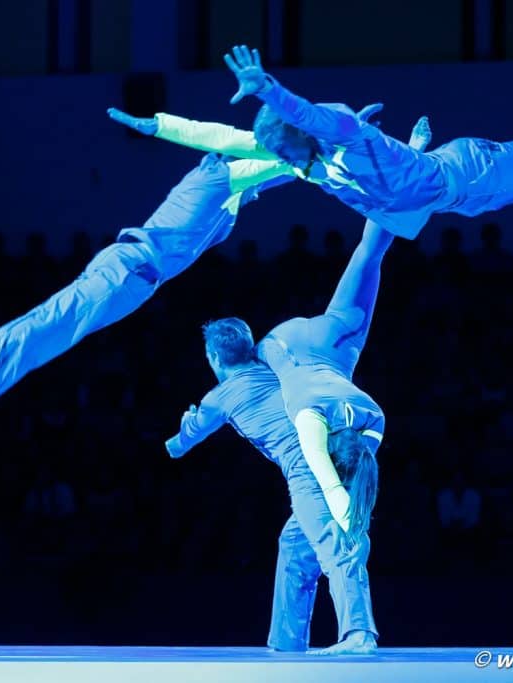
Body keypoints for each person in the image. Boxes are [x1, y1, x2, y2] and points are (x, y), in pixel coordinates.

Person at [166, 115, 432, 657]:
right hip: (330, 353)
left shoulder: (230, 386)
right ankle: (286, 646)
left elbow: (183, 441)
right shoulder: (263, 364)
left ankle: (359, 632)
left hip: (318, 418)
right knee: (368, 253)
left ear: (215, 358)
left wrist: (177, 434)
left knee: (336, 535)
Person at [0, 110, 298, 436]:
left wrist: (334, 144)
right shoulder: (219, 176)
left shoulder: (231, 192)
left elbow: (284, 172)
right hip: (125, 267)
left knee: (58, 338)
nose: (256, 191)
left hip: (138, 285)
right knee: (51, 320)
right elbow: (282, 164)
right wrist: (328, 141)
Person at [143, 45, 513, 242]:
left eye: (287, 151)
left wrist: (271, 89)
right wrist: (167, 131)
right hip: (457, 199)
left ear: (303, 138)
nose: (283, 163)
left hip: (473, 172)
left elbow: (309, 117)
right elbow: (240, 148)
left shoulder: (341, 134)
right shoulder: (311, 166)